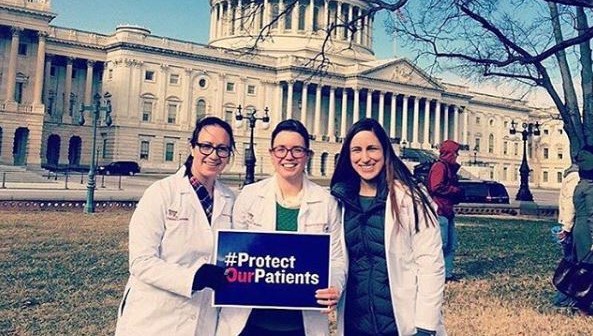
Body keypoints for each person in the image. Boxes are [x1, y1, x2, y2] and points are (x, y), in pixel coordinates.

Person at [216, 119, 346, 336]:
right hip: (249, 321)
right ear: (271, 153)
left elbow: (337, 259)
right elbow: (234, 256)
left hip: (301, 324)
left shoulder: (326, 202)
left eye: (297, 150)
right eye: (281, 149)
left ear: (307, 155)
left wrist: (335, 286)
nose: (289, 156)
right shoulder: (249, 196)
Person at [115, 116, 236, 336]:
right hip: (155, 318)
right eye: (206, 146)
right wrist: (193, 278)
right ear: (192, 148)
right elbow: (141, 262)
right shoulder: (161, 193)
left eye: (222, 149)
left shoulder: (230, 199)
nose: (213, 155)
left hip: (203, 318)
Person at [330, 118, 445, 336]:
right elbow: (336, 259)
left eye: (372, 148)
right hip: (356, 323)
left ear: (385, 151)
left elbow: (431, 264)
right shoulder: (339, 201)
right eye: (357, 150)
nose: (365, 158)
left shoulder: (412, 198)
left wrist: (425, 326)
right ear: (348, 155)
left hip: (402, 323)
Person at [427, 139, 464, 282]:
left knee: (451, 244)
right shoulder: (440, 167)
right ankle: (435, 273)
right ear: (449, 153)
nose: (457, 156)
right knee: (440, 244)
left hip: (447, 210)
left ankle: (447, 274)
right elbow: (436, 187)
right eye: (455, 153)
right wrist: (455, 190)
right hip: (440, 210)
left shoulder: (448, 167)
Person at [552, 164, 579, 307]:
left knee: (570, 261)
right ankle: (566, 295)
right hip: (571, 225)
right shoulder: (575, 176)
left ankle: (564, 295)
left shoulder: (573, 177)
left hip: (571, 226)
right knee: (571, 261)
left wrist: (566, 227)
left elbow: (570, 204)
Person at [572, 146, 593, 316]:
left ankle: (581, 303)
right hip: (587, 230)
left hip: (579, 228)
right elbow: (592, 215)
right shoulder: (590, 187)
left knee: (583, 266)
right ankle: (584, 305)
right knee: (588, 268)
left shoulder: (580, 185)